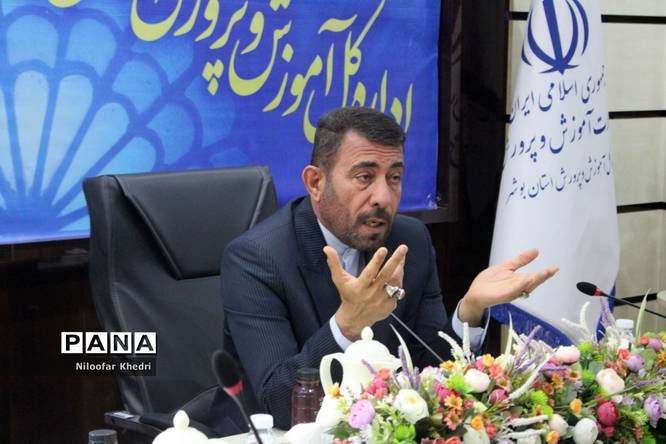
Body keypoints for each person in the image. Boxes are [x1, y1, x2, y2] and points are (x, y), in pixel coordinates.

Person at [216, 107, 558, 431]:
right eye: (364, 177)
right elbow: (278, 402)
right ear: (316, 182)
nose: (383, 196)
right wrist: (348, 325)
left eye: (394, 177)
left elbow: (429, 367)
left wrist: (470, 310)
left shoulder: (410, 241)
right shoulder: (257, 259)